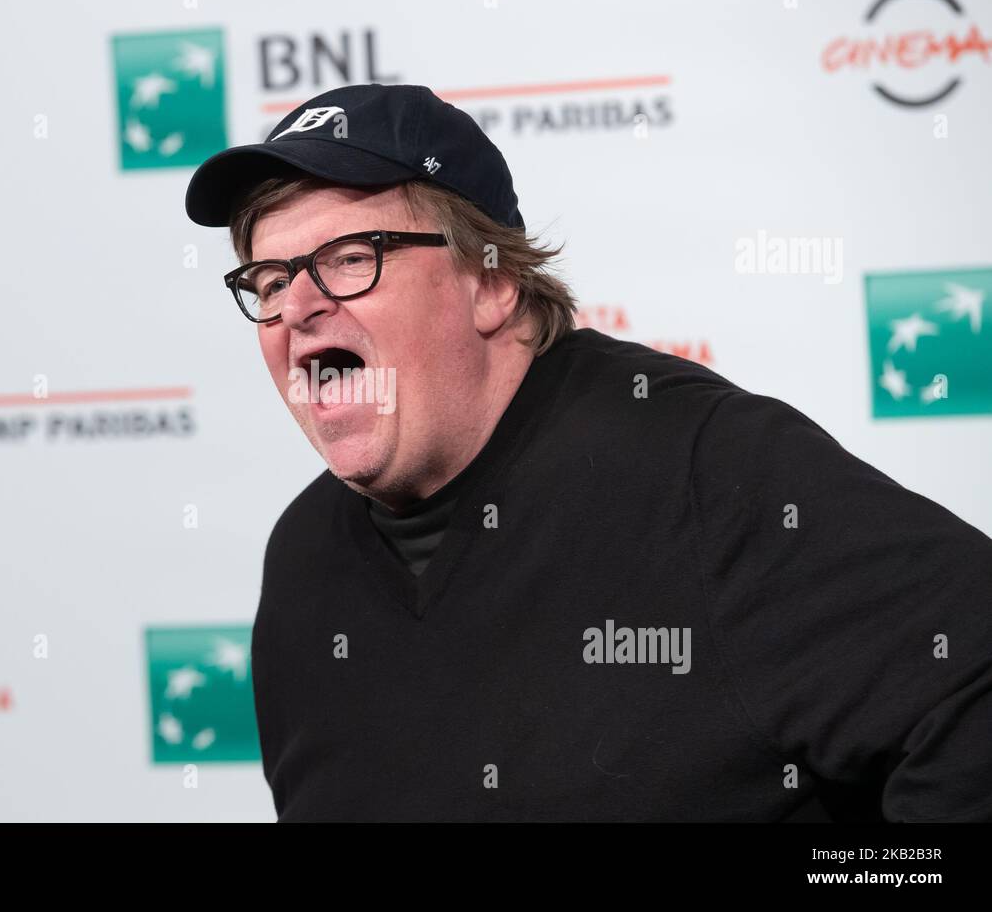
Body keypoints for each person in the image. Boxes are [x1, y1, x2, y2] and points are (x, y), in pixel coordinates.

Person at [184, 83, 992, 822]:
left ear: (492, 283)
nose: (299, 308)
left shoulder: (705, 470)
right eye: (268, 283)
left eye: (350, 260)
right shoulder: (303, 561)